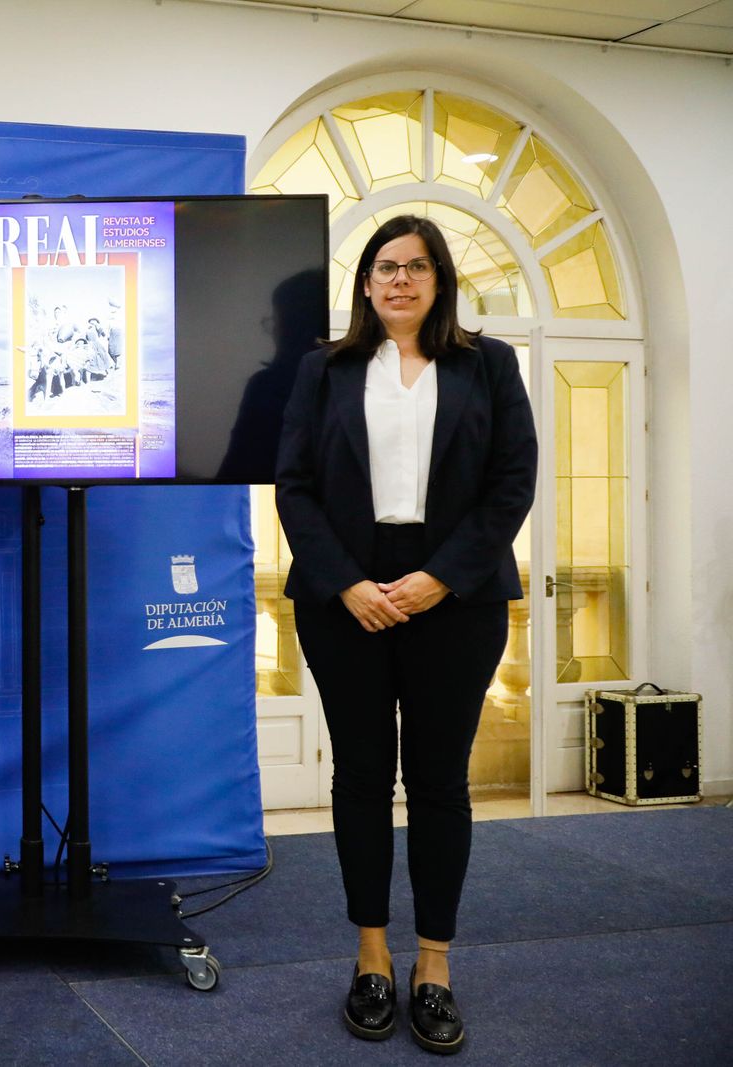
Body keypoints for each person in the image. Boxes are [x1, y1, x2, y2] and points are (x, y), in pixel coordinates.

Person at [275, 215, 536, 1055]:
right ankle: (371, 957)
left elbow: (512, 484)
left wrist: (441, 576)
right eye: (385, 267)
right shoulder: (326, 368)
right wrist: (348, 582)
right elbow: (295, 486)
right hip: (344, 590)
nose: (399, 281)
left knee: (438, 782)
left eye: (416, 267)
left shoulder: (488, 366)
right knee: (359, 778)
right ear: (364, 282)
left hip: (455, 593)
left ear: (439, 279)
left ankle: (434, 965)